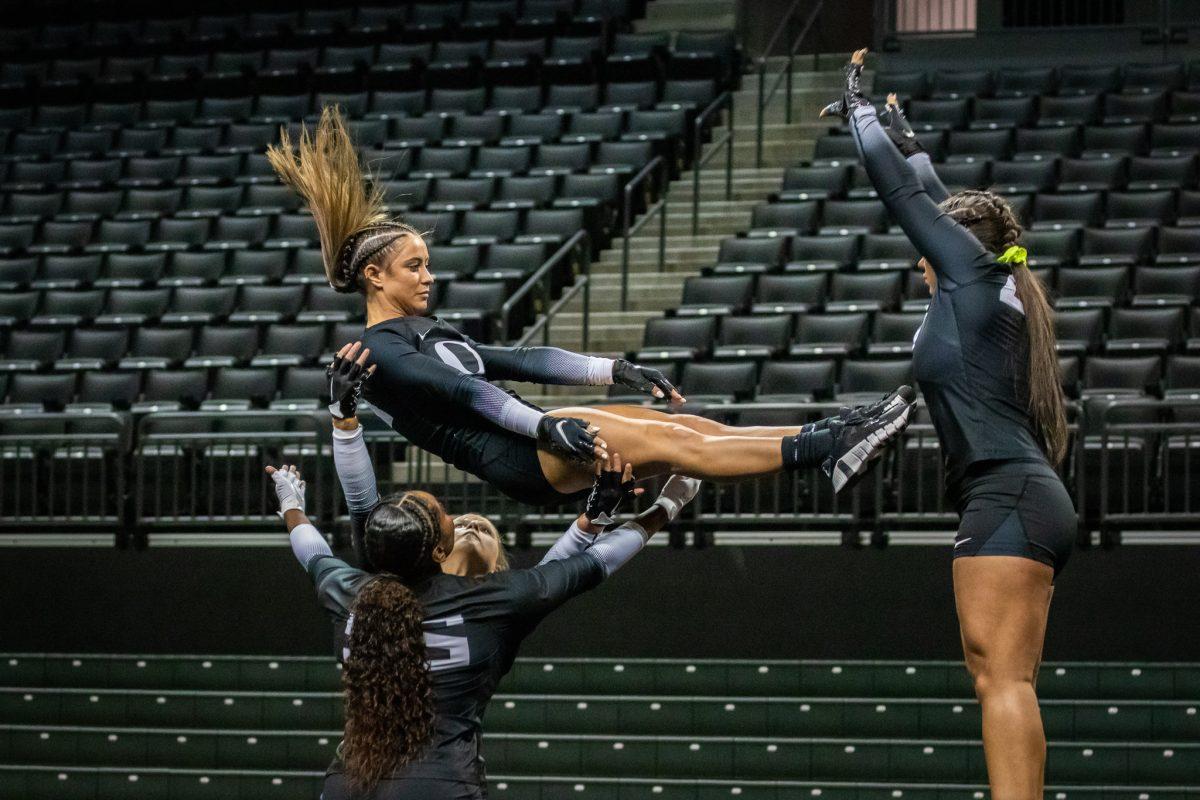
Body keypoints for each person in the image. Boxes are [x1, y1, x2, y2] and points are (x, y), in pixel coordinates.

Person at [267, 107, 917, 505]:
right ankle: (829, 446)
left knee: (690, 435)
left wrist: (615, 370)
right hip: (519, 456)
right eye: (415, 266)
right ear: (375, 277)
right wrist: (547, 428)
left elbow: (516, 359)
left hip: (531, 438)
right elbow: (469, 395)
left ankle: (833, 438)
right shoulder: (377, 351)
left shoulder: (417, 328)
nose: (429, 276)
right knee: (677, 441)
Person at [822, 49, 1076, 800]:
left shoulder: (969, 279)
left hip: (1007, 496)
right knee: (1001, 677)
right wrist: (905, 132)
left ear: (954, 246)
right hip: (1019, 497)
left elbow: (906, 196)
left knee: (1001, 679)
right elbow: (931, 187)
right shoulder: (992, 282)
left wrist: (861, 112)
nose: (919, 258)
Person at [265, 450, 699, 800]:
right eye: (445, 515)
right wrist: (666, 505)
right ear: (438, 551)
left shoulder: (348, 593)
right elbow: (593, 563)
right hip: (440, 784)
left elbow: (310, 548)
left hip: (349, 784)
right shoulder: (491, 602)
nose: (459, 519)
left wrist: (291, 503)